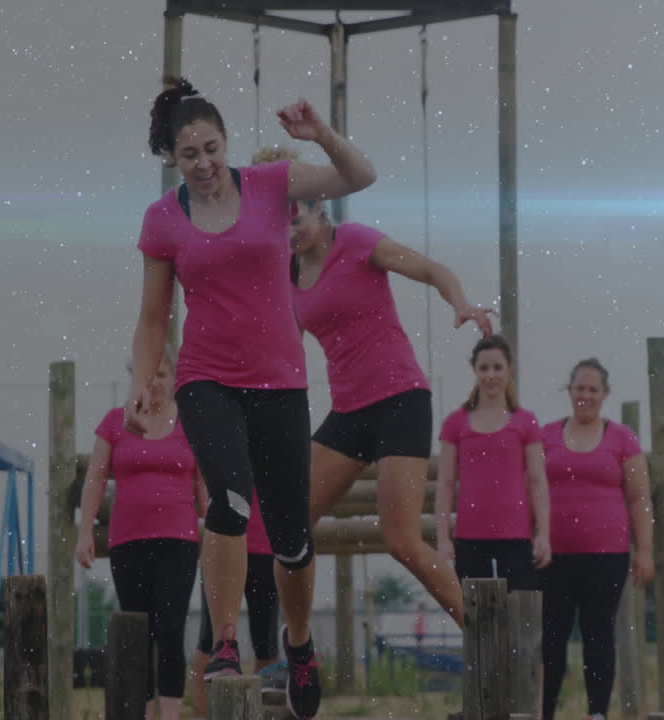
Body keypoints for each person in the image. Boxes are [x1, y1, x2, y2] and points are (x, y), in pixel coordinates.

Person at [126, 77, 376, 720]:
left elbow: (360, 177)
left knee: (292, 537)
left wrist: (319, 134)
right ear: (172, 161)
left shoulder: (272, 185)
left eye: (211, 147)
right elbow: (155, 317)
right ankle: (227, 642)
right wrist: (141, 386)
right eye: (189, 155)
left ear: (226, 142)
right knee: (230, 500)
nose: (204, 163)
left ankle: (297, 645)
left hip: (280, 383)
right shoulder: (163, 219)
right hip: (206, 380)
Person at [275, 147, 493, 628]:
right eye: (281, 224)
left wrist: (462, 304)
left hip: (399, 399)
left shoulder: (355, 242)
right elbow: (273, 349)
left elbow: (432, 270)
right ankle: (295, 647)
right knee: (286, 525)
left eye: (297, 218)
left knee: (402, 541)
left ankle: (485, 632)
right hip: (349, 414)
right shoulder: (285, 279)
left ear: (320, 207)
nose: (290, 232)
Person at [76, 353, 206, 720]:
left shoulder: (189, 424)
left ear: (174, 378)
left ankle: (169, 713)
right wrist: (86, 530)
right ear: (135, 377)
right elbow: (96, 478)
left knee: (170, 629)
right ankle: (143, 712)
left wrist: (219, 534)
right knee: (137, 632)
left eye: (161, 374)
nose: (155, 383)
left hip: (179, 541)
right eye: (147, 375)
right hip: (129, 542)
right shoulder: (115, 423)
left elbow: (203, 488)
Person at [540, 358, 655, 720]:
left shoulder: (622, 438)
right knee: (552, 637)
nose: (585, 395)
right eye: (579, 388)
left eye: (593, 389)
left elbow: (639, 497)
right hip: (552, 556)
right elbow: (528, 490)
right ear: (569, 390)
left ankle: (597, 714)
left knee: (598, 634)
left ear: (604, 394)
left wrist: (646, 551)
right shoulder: (545, 435)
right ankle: (543, 711)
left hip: (606, 555)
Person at [434, 335, 552, 595]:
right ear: (473, 369)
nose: (491, 375)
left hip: (516, 537)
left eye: (497, 367)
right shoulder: (455, 423)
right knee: (478, 622)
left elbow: (537, 480)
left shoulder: (525, 422)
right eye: (484, 368)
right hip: (469, 538)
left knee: (521, 619)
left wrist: (543, 533)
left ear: (509, 369)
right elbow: (444, 484)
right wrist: (443, 539)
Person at [187, 489, 280, 720]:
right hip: (222, 548)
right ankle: (203, 714)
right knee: (209, 640)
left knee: (266, 643)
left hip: (265, 545)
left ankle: (259, 711)